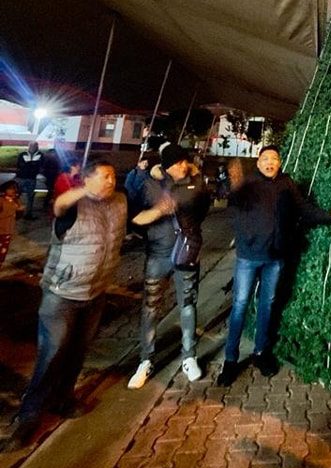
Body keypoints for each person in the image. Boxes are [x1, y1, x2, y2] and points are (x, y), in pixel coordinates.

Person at [0, 161, 127, 450]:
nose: (110, 181)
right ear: (88, 178)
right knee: (51, 353)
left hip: (96, 292)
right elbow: (59, 205)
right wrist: (83, 190)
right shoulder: (74, 205)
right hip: (62, 293)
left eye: (112, 176)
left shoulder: (120, 201)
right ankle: (29, 415)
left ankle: (64, 398)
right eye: (103, 176)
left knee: (78, 351)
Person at [217, 145, 331, 384]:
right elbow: (234, 210)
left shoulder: (286, 184)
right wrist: (245, 239)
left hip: (275, 258)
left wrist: (330, 214)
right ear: (258, 163)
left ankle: (261, 352)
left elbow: (304, 209)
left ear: (280, 162)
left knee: (267, 305)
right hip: (248, 257)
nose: (270, 163)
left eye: (274, 159)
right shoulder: (249, 184)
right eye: (265, 158)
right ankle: (230, 360)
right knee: (239, 305)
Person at [127, 144, 211, 389]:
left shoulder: (195, 182)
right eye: (178, 162)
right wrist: (156, 210)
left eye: (185, 161)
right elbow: (133, 212)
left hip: (186, 252)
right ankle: (146, 360)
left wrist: (196, 178)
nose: (183, 165)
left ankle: (189, 356)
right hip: (158, 253)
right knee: (151, 306)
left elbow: (204, 208)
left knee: (187, 302)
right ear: (166, 166)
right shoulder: (151, 183)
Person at [15, 140, 44, 220]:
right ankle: (15, 211)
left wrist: (28, 165)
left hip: (31, 178)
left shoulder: (40, 155)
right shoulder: (23, 154)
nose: (33, 147)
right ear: (29, 146)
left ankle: (28, 214)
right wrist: (32, 165)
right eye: (31, 146)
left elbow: (40, 166)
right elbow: (19, 165)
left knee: (30, 197)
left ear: (37, 147)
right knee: (17, 195)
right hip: (21, 178)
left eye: (34, 146)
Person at [0, 180, 23, 265]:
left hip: (8, 230)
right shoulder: (2, 200)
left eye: (14, 189)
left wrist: (19, 211)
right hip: (1, 228)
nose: (13, 191)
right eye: (10, 189)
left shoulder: (16, 201)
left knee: (3, 251)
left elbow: (18, 216)